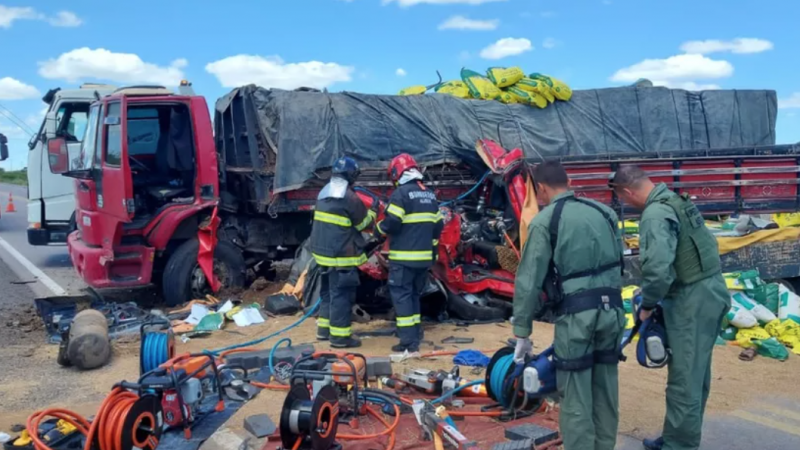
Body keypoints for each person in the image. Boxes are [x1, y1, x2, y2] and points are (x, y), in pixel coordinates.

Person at [609, 165, 730, 450]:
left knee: (685, 380)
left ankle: (679, 445)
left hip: (693, 299)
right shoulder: (675, 201)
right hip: (710, 290)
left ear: (627, 191)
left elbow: (658, 270)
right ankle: (679, 436)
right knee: (696, 373)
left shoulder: (655, 214)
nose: (627, 204)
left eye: (624, 199)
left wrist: (647, 305)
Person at [513, 161, 626, 450]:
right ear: (569, 181)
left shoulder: (545, 221)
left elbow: (529, 281)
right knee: (605, 390)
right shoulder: (605, 212)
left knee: (575, 394)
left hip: (577, 317)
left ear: (540, 188)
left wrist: (522, 332)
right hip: (612, 311)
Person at [375, 153, 443, 352]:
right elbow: (438, 225)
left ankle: (408, 342)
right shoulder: (429, 195)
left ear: (397, 173)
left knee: (402, 296)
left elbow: (393, 221)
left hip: (404, 259)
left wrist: (378, 230)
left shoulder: (401, 194)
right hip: (424, 260)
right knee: (413, 295)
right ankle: (415, 332)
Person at [309, 156, 376, 349]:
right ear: (351, 175)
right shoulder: (350, 197)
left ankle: (324, 331)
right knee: (342, 295)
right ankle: (339, 338)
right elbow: (364, 224)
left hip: (323, 255)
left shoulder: (323, 192)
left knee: (328, 293)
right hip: (341, 256)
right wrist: (373, 211)